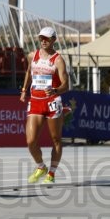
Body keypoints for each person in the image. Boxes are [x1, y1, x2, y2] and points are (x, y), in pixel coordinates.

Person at [19, 26, 70, 184]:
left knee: (55, 138)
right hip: (35, 101)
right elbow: (29, 72)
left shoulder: (58, 60)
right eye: (41, 38)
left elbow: (66, 85)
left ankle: (52, 174)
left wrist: (55, 89)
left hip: (52, 102)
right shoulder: (32, 55)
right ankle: (41, 167)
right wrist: (23, 90)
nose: (43, 41)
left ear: (54, 40)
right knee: (30, 140)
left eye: (47, 38)